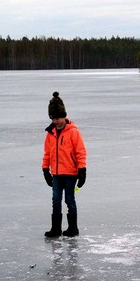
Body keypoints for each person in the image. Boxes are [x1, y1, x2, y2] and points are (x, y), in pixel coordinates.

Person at [42, 92, 87, 238]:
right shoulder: (50, 133)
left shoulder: (73, 132)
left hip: (70, 173)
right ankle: (56, 229)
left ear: (64, 116)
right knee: (56, 200)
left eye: (58, 118)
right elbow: (47, 153)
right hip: (56, 173)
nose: (56, 121)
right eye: (53, 118)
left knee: (69, 199)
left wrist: (82, 170)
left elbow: (80, 151)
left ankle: (73, 228)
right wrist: (45, 170)